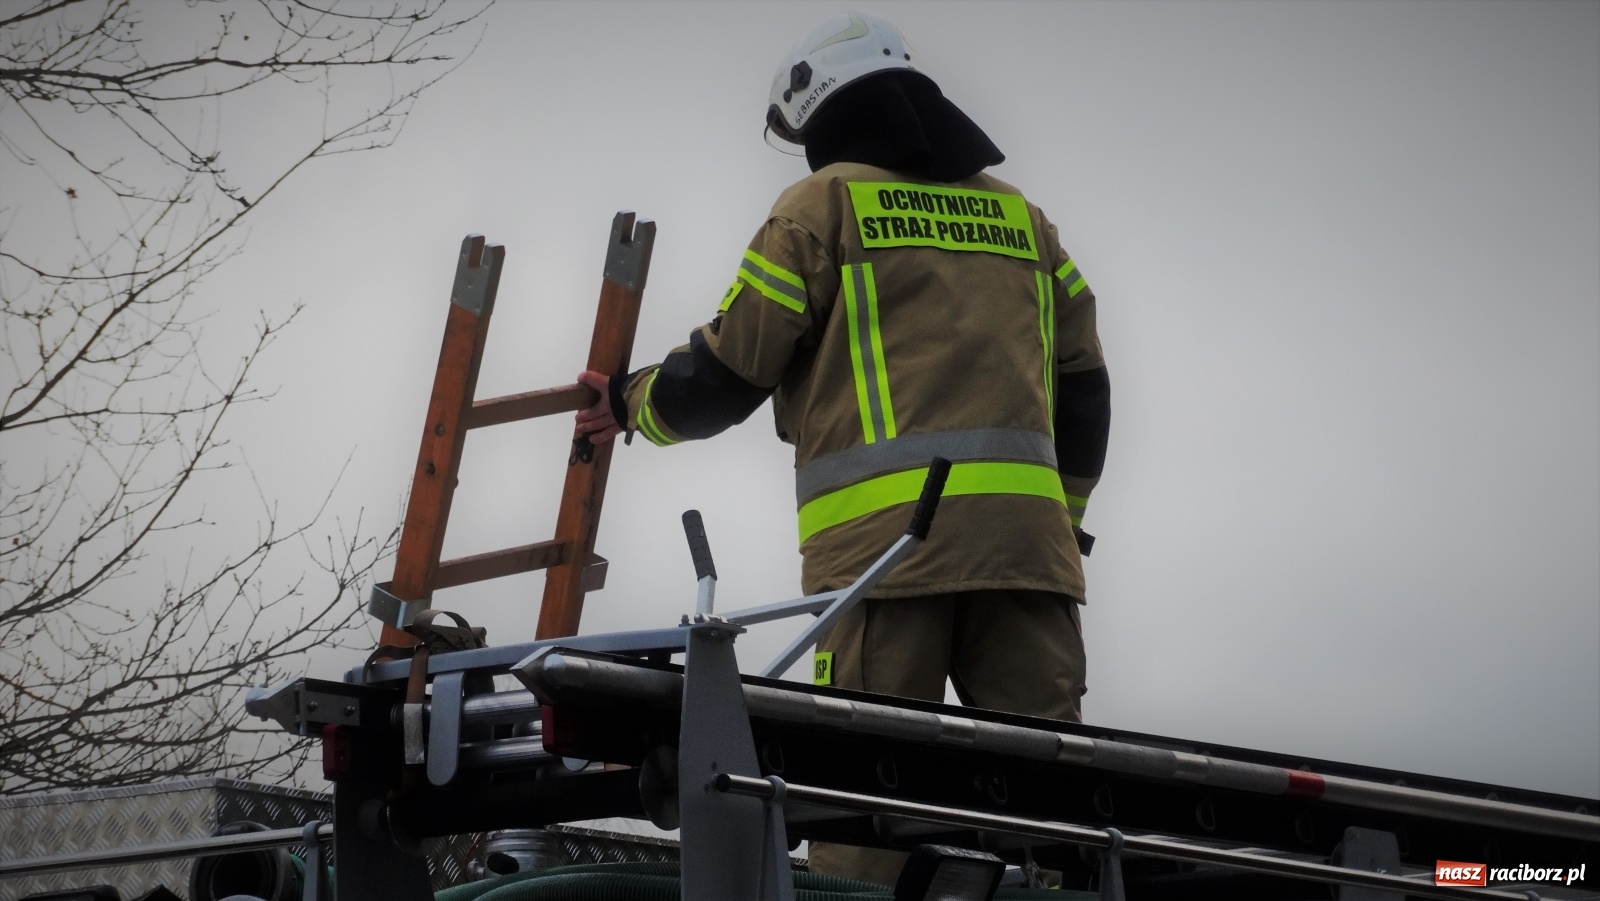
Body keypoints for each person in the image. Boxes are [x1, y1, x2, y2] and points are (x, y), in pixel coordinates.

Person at [573, 12, 1110, 885]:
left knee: (864, 814)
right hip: (1029, 563)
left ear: (818, 107)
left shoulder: (821, 209)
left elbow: (728, 371)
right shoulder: (1025, 222)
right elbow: (1086, 388)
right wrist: (1065, 522)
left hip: (883, 564)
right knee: (1055, 821)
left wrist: (631, 404)